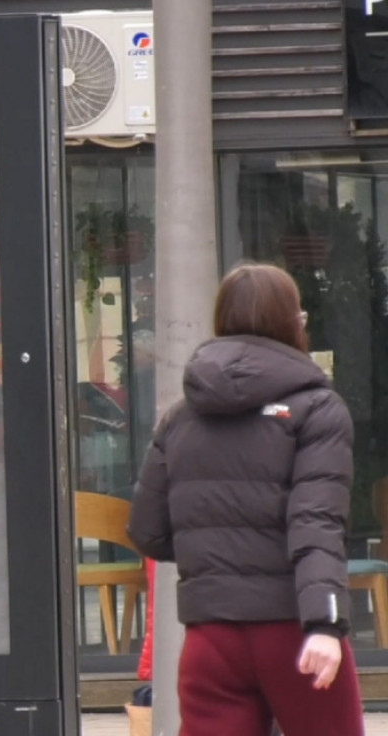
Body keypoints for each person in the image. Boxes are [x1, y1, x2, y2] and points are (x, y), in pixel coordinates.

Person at [127, 263, 364, 736]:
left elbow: (148, 531)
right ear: (291, 322)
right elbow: (315, 523)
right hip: (294, 629)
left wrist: (221, 551)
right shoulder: (317, 409)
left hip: (211, 636)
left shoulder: (180, 416)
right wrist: (324, 625)